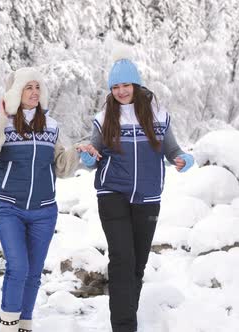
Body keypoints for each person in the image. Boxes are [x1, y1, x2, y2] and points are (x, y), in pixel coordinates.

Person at [80, 55, 194, 332]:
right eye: (115, 86)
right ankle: (124, 326)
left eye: (126, 85)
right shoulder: (104, 117)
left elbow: (172, 150)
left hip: (148, 197)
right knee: (121, 260)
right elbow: (95, 154)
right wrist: (89, 158)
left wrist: (183, 159)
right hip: (112, 193)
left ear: (136, 84)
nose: (121, 91)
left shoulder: (159, 116)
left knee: (137, 265)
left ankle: (127, 318)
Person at [0, 67, 82, 332]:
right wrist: (3, 115)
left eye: (37, 87)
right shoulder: (5, 124)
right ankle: (8, 327)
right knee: (18, 267)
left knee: (34, 273)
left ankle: (25, 326)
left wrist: (78, 151)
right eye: (28, 87)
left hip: (45, 211)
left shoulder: (51, 125)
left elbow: (61, 168)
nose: (34, 92)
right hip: (10, 208)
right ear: (16, 92)